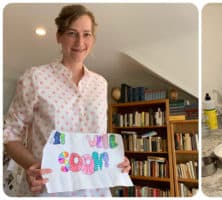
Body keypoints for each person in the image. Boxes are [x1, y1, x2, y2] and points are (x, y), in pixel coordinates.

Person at [3, 4, 131, 197]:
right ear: (59, 36)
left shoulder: (100, 84)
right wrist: (32, 166)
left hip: (94, 191)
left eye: (87, 34)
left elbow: (98, 140)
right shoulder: (36, 77)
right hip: (48, 188)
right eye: (72, 33)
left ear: (93, 39)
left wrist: (115, 159)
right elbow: (10, 134)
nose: (80, 41)